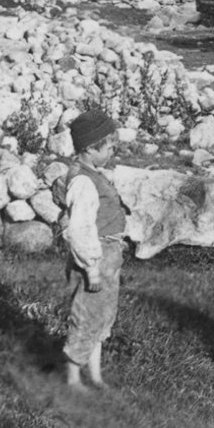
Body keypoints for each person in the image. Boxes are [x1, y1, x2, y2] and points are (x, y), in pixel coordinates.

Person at [58, 108, 127, 392]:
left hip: (108, 256)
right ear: (89, 148)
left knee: (101, 316)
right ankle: (73, 379)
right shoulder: (83, 182)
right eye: (109, 147)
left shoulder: (93, 175)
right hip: (95, 258)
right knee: (86, 316)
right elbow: (81, 228)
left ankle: (95, 377)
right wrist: (91, 267)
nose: (113, 151)